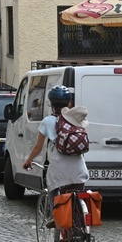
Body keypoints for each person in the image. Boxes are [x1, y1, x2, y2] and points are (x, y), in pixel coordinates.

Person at [22, 85, 89, 226]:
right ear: (69, 104)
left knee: (52, 188)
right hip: (79, 168)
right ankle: (80, 230)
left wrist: (28, 160)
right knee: (77, 197)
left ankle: (55, 216)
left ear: (51, 104)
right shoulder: (77, 120)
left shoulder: (47, 121)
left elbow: (38, 148)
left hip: (58, 168)